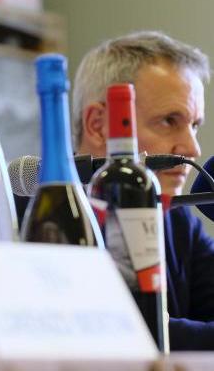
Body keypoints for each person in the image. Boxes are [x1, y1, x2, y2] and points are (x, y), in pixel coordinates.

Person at [73, 30, 214, 350]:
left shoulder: (177, 220)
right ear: (98, 125)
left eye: (194, 125)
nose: (192, 148)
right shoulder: (52, 217)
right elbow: (116, 331)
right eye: (169, 121)